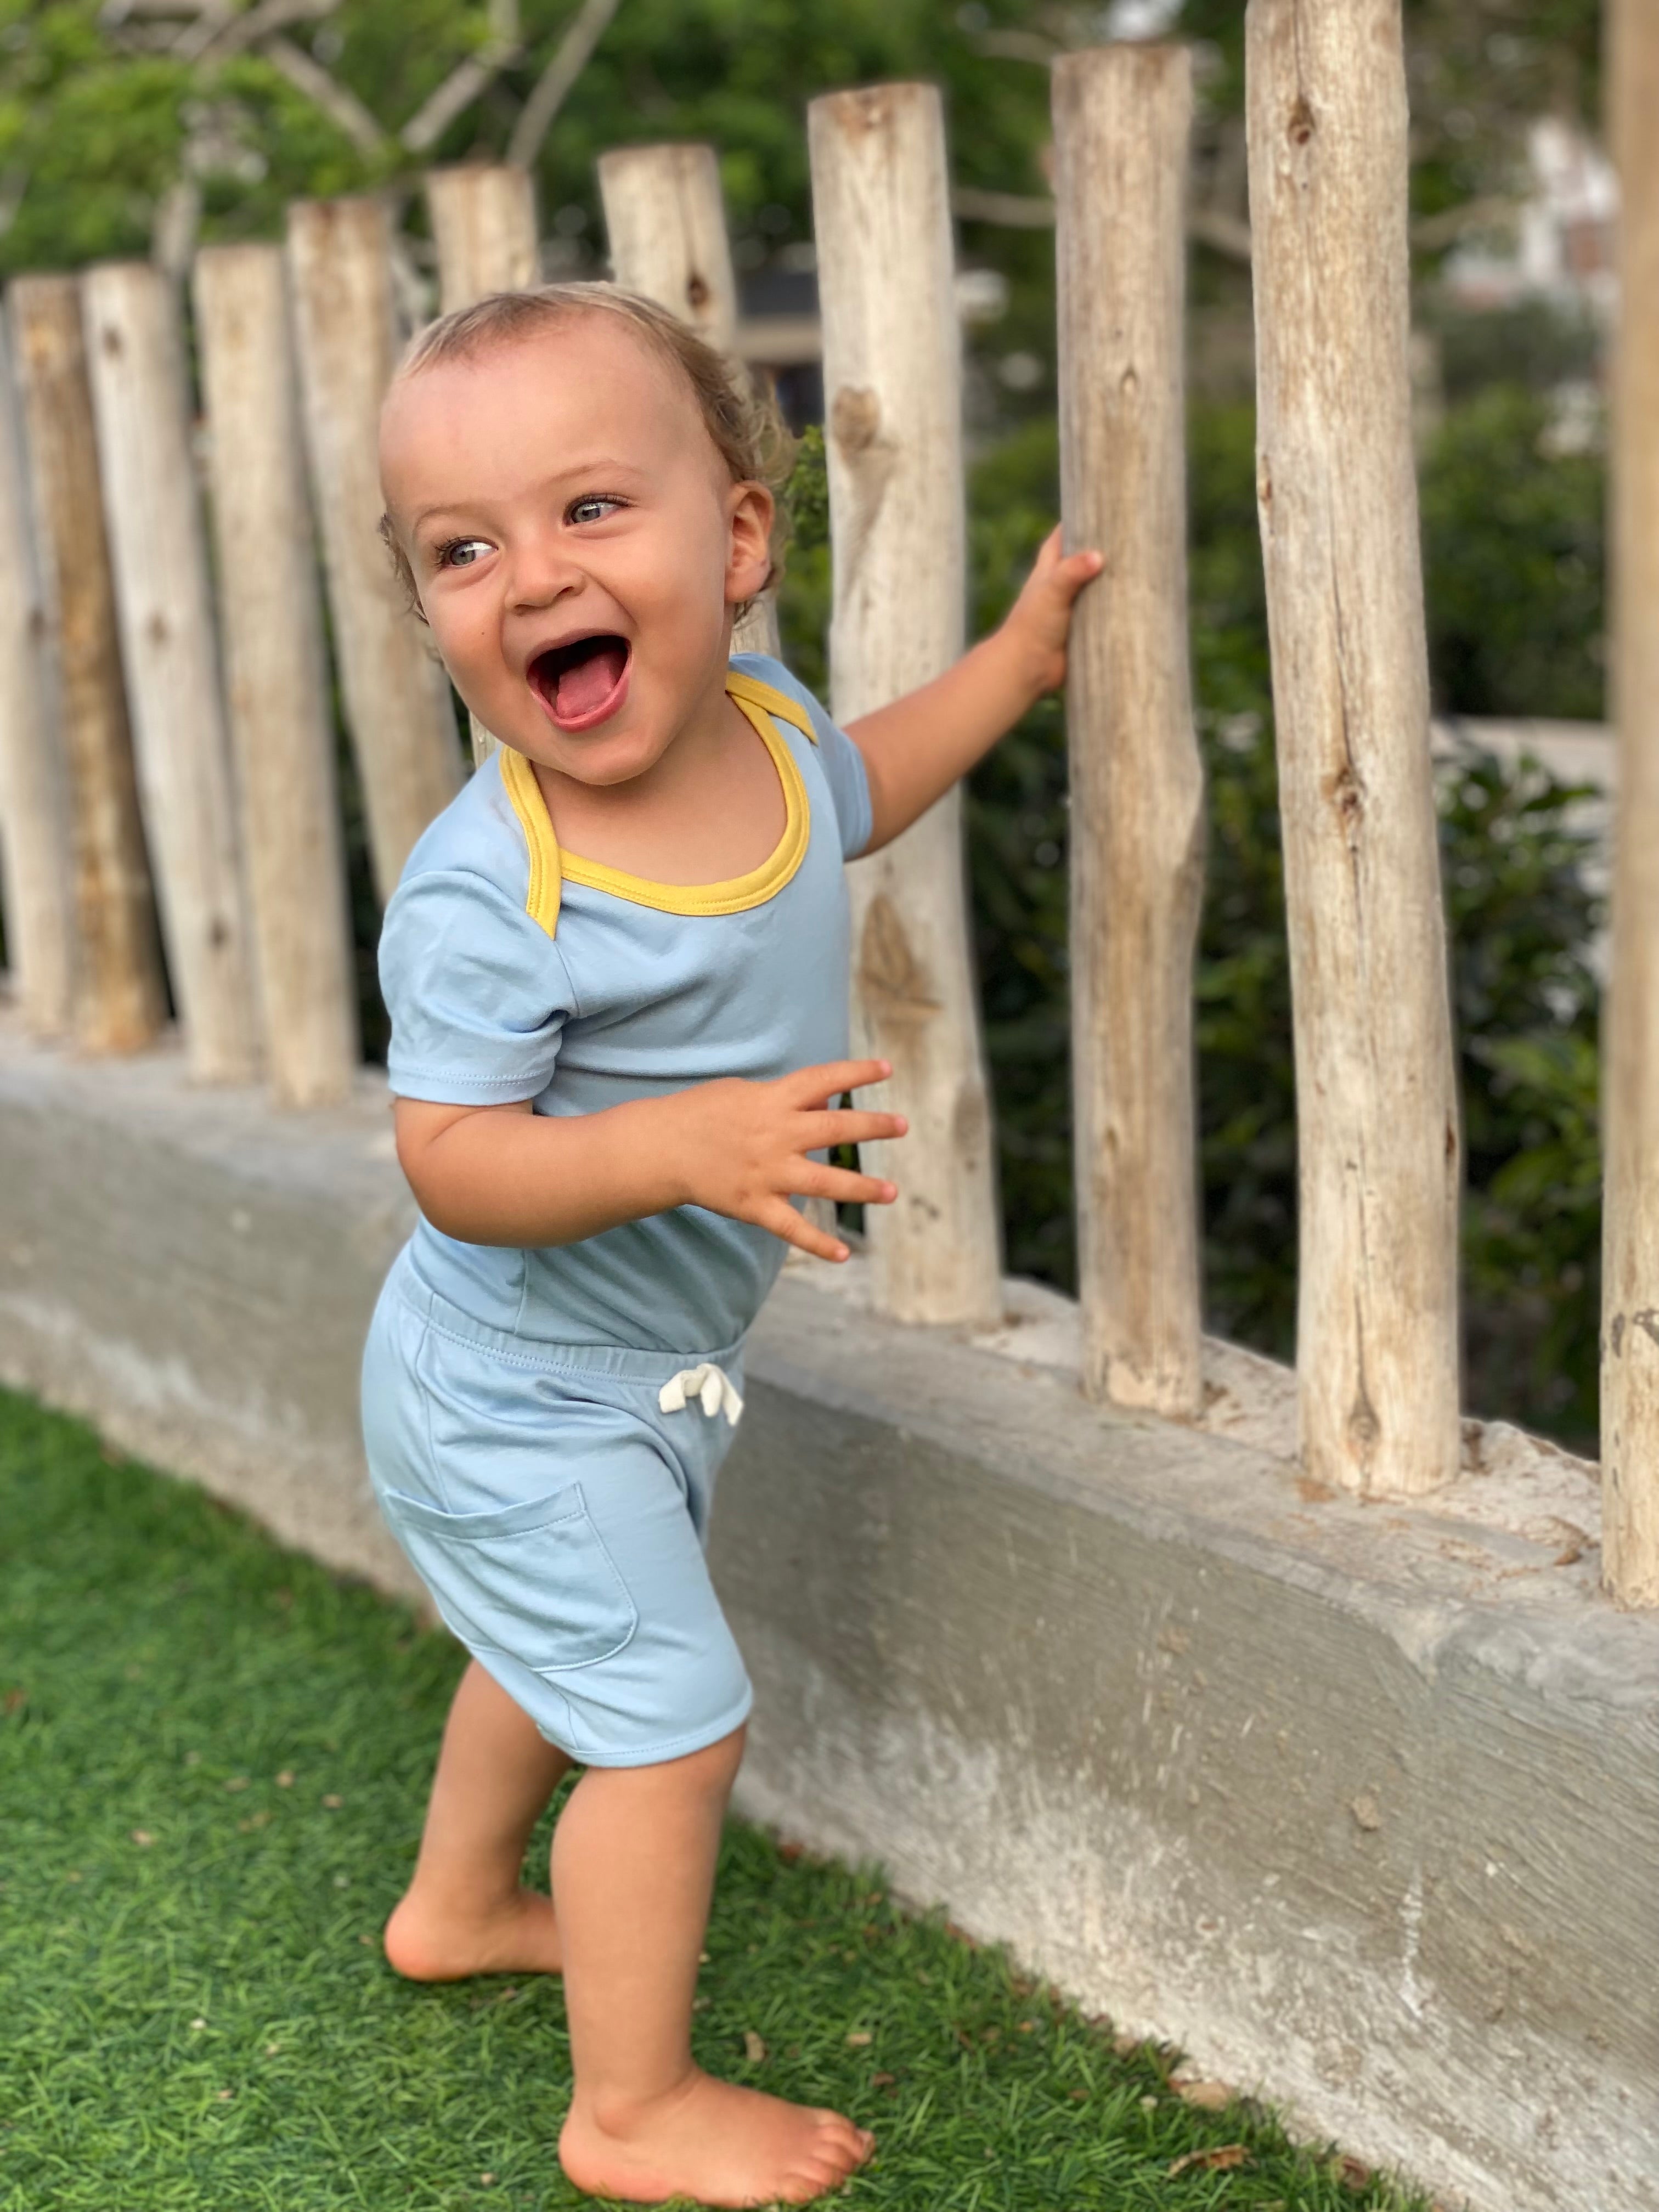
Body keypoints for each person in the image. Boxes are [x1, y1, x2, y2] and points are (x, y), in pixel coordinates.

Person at [362, 281, 1101, 2207]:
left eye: (590, 512)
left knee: (562, 1647)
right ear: (430, 606)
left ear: (741, 538)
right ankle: (629, 2111)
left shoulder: (768, 736)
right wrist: (672, 1141)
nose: (530, 577)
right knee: (675, 1726)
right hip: (510, 1389)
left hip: (640, 1374)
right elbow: (449, 1159)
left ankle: (455, 1907)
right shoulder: (495, 889)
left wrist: (1016, 666)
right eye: (464, 550)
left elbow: (868, 784)